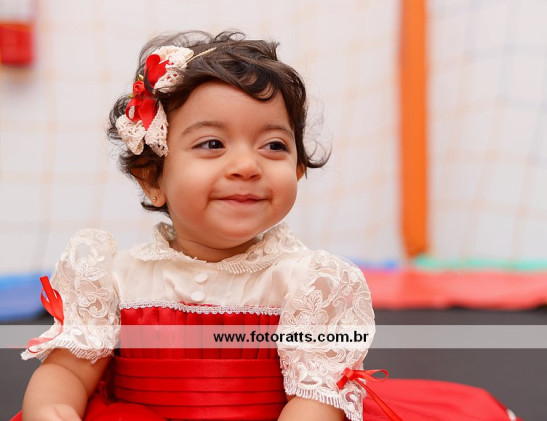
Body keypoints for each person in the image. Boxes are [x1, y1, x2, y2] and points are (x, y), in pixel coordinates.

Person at [14, 31, 520, 421]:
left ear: (298, 169)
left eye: (273, 146)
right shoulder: (111, 279)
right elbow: (66, 373)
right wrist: (51, 410)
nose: (246, 165)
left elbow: (315, 401)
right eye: (212, 144)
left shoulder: (309, 284)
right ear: (153, 179)